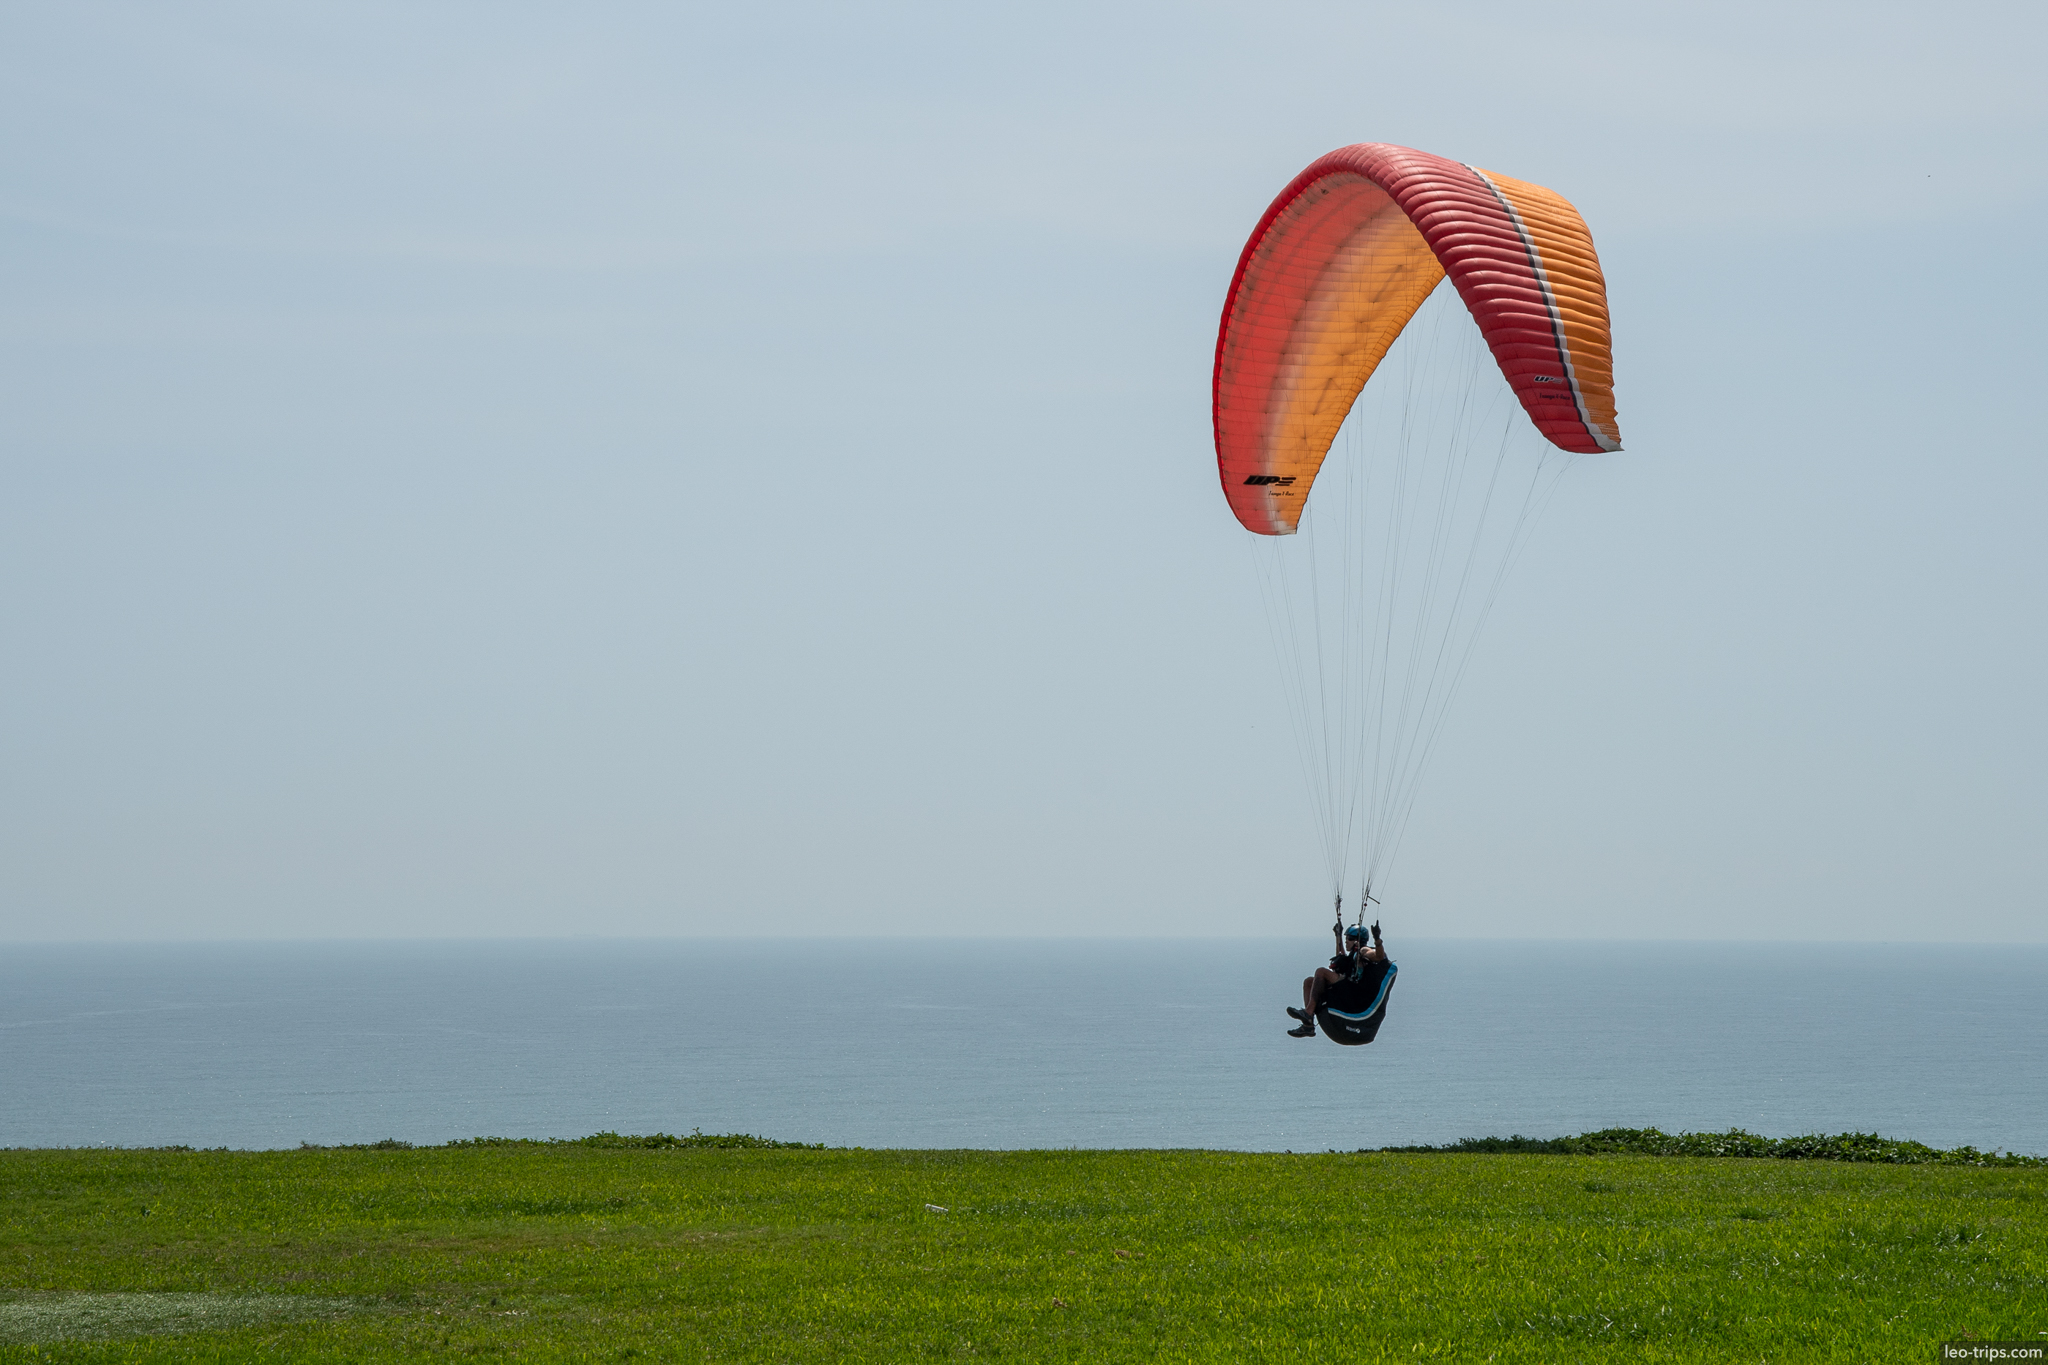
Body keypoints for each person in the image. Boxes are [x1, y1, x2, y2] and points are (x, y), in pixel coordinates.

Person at [1287, 919, 1389, 1039]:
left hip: (1354, 991)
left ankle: (1308, 1012)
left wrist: (1377, 939)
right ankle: (1308, 1026)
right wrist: (1338, 936)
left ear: (1357, 940)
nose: (1346, 941)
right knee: (1309, 982)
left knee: (1321, 972)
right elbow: (1340, 958)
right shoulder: (1353, 954)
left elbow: (1379, 956)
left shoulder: (1363, 950)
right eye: (1346, 938)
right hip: (1346, 988)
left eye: (1349, 938)